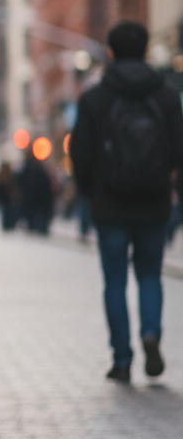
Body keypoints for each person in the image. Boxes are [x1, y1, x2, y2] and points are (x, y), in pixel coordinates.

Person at [69, 21, 183, 382]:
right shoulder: (166, 95)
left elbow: (80, 153)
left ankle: (121, 358)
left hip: (110, 202)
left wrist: (89, 193)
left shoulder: (95, 97)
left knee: (114, 279)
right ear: (147, 50)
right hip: (153, 200)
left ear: (112, 52)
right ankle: (151, 332)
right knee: (150, 274)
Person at [0, 161, 21, 231]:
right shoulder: (6, 177)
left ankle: (8, 226)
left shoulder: (7, 177)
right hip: (5, 201)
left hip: (6, 201)